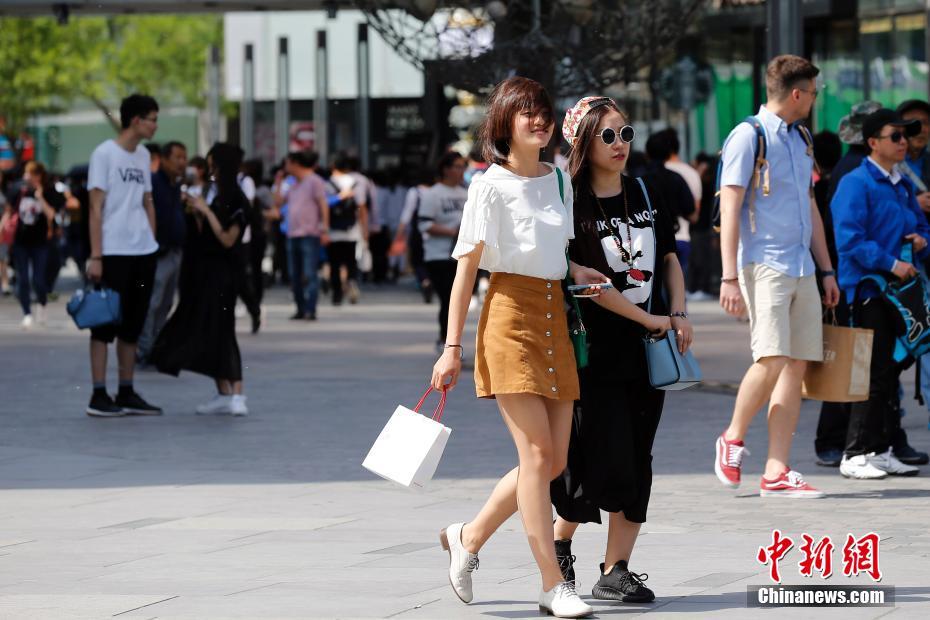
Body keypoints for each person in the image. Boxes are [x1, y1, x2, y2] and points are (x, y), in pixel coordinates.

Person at [431, 76, 608, 619]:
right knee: (534, 456)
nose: (539, 120)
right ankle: (552, 583)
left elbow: (556, 254)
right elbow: (466, 272)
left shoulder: (558, 180)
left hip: (555, 315)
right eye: (526, 112)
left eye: (544, 112)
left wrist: (583, 271)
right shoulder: (488, 185)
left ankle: (468, 535)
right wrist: (451, 346)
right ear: (504, 122)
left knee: (551, 463)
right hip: (507, 317)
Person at [550, 96, 687, 604]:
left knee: (638, 457)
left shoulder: (646, 189)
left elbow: (669, 255)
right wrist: (652, 319)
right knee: (598, 460)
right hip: (594, 352)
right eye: (608, 136)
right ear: (584, 141)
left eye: (625, 133)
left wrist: (678, 312)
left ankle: (616, 569)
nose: (620, 144)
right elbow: (585, 283)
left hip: (649, 352)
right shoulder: (569, 201)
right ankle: (561, 540)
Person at [714, 55, 839, 497]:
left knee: (796, 365)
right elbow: (729, 207)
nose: (815, 100)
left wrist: (825, 269)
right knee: (770, 359)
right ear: (798, 93)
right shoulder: (748, 136)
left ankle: (776, 469)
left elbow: (810, 206)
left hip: (802, 265)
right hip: (763, 263)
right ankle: (732, 436)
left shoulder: (802, 137)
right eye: (813, 92)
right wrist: (728, 278)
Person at [831, 108, 930, 479]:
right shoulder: (856, 183)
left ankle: (881, 448)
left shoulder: (902, 184)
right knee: (869, 372)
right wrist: (891, 263)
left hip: (899, 293)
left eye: (906, 136)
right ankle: (854, 453)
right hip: (868, 290)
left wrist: (921, 241)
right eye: (896, 136)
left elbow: (920, 226)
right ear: (873, 142)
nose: (904, 142)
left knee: (888, 374)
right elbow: (849, 240)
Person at [150, 143, 250, 416]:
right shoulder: (216, 196)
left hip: (224, 276)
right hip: (204, 275)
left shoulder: (236, 199)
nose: (209, 172)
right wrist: (197, 213)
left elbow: (228, 239)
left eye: (213, 166)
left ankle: (237, 394)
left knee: (224, 332)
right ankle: (223, 392)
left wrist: (205, 211)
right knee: (211, 331)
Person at [85, 94, 162, 417]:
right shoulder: (105, 154)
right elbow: (95, 207)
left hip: (143, 251)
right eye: (152, 119)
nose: (156, 125)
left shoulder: (143, 156)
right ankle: (99, 394)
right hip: (113, 251)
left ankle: (126, 391)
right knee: (104, 324)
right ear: (135, 120)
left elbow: (147, 200)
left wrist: (152, 240)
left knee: (133, 324)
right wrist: (97, 256)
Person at [137, 141, 187, 365]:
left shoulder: (176, 186)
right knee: (151, 303)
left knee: (166, 303)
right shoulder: (154, 183)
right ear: (164, 159)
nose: (181, 162)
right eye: (177, 157)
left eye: (184, 157)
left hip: (175, 251)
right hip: (159, 252)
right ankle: (144, 348)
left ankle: (155, 346)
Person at [418, 152, 468, 352]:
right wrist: (452, 231)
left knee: (459, 301)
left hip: (461, 255)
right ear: (445, 169)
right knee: (448, 299)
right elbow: (424, 224)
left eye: (462, 166)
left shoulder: (466, 193)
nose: (460, 171)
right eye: (456, 166)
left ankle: (452, 342)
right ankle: (445, 341)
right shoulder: (433, 194)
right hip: (438, 255)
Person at [10, 162, 64, 328]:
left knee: (39, 280)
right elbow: (10, 211)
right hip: (20, 241)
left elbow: (52, 214)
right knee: (23, 279)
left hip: (41, 242)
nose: (28, 177)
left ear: (39, 175)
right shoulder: (19, 190)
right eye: (26, 173)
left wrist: (40, 197)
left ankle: (42, 303)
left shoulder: (49, 191)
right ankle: (27, 313)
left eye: (31, 174)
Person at [283, 151, 329, 320]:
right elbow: (279, 202)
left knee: (309, 273)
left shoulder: (315, 181)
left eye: (287, 163)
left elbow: (323, 205)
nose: (285, 167)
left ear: (296, 163)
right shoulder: (292, 183)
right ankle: (300, 308)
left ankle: (310, 309)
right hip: (292, 233)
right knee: (294, 274)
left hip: (310, 234)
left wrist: (324, 229)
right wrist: (279, 181)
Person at [643, 131, 695, 276]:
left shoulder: (637, 181)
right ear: (668, 154)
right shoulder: (676, 178)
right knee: (677, 287)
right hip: (677, 237)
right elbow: (691, 212)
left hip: (645, 241)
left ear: (647, 153)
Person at [328, 155, 368, 305]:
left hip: (333, 231)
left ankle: (337, 293)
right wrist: (365, 229)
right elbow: (362, 208)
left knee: (335, 264)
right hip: (352, 230)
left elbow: (324, 206)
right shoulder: (358, 182)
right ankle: (351, 281)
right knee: (351, 261)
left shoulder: (329, 183)